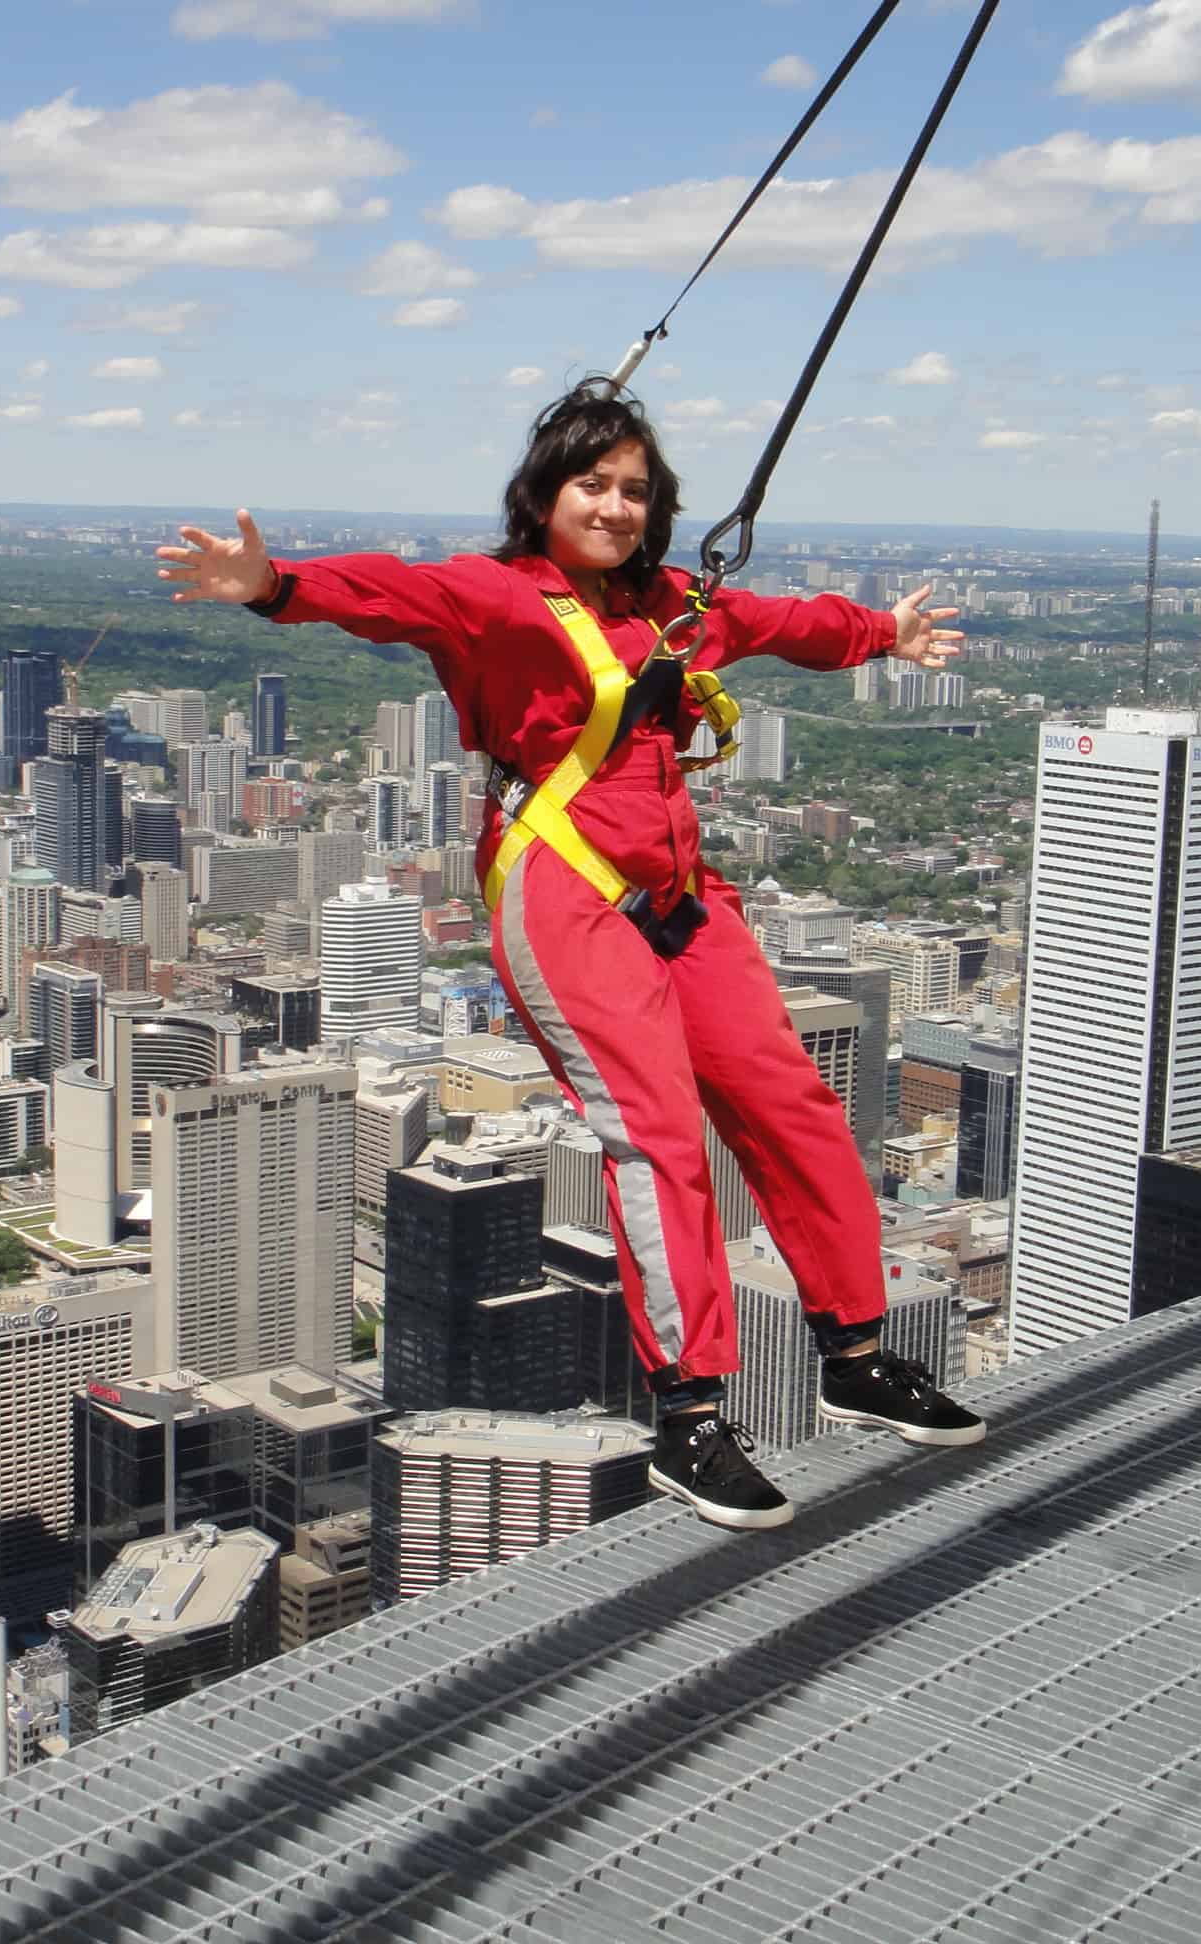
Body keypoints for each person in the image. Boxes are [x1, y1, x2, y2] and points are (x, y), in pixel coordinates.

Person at [156, 383, 984, 1531]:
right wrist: (272, 586)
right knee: (653, 1136)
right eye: (593, 484)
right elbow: (390, 593)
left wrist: (882, 632)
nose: (615, 505)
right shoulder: (498, 597)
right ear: (544, 494)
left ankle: (852, 1351)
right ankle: (691, 1417)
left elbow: (788, 625)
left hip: (681, 895)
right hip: (563, 891)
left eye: (636, 490)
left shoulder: (679, 608)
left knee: (792, 1103)